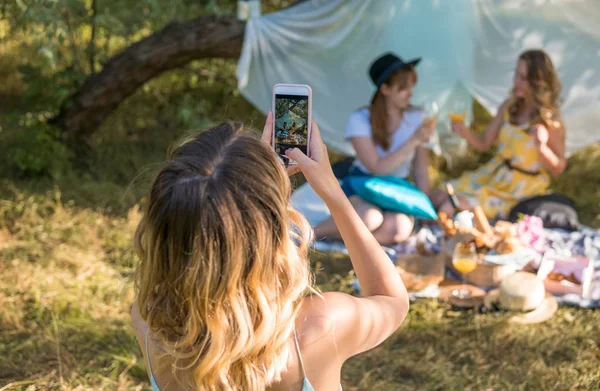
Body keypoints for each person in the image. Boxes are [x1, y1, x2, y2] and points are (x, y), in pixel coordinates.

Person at [130, 113, 410, 391]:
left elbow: (217, 227)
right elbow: (390, 299)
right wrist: (331, 190)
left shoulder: (150, 327)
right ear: (271, 234)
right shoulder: (316, 330)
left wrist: (262, 196)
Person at [314, 52, 435, 245]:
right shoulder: (360, 119)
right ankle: (309, 234)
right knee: (370, 217)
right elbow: (376, 168)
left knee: (399, 229)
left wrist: (426, 208)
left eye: (411, 86)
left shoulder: (418, 118)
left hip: (398, 187)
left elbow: (420, 169)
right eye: (403, 88)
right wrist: (414, 140)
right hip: (364, 183)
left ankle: (352, 242)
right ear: (385, 89)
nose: (411, 93)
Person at [431, 49, 567, 220]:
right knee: (437, 195)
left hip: (518, 190)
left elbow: (558, 168)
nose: (515, 82)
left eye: (523, 78)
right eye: (516, 75)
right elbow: (483, 143)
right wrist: (463, 131)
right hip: (494, 174)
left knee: (449, 207)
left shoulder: (550, 120)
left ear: (537, 83)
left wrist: (542, 147)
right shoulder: (509, 107)